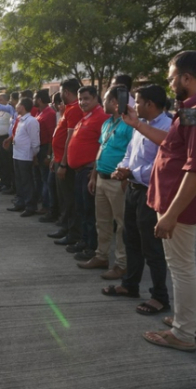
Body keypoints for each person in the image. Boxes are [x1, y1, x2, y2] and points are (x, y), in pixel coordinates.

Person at [123, 50, 196, 353]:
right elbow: (173, 145)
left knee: (180, 267)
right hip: (173, 200)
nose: (170, 84)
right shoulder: (195, 106)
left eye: (172, 78)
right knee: (185, 264)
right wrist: (138, 125)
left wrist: (171, 213)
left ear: (186, 77)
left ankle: (184, 333)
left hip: (178, 203)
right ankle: (192, 322)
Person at [102, 85, 172, 317]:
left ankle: (159, 296)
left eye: (139, 102)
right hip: (133, 189)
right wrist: (123, 168)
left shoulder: (167, 127)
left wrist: (133, 172)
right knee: (130, 238)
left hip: (150, 192)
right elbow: (130, 153)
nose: (134, 105)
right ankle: (130, 285)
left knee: (151, 247)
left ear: (150, 104)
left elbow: (163, 165)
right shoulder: (138, 125)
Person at [78, 86, 133, 280]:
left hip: (117, 182)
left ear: (115, 102)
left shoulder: (129, 124)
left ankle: (121, 264)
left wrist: (127, 178)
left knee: (121, 225)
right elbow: (100, 150)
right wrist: (93, 176)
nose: (104, 103)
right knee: (102, 222)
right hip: (101, 178)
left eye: (106, 99)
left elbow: (133, 154)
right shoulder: (107, 123)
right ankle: (101, 256)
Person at [64, 86, 109, 260]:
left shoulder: (102, 118)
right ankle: (84, 241)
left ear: (96, 98)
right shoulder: (86, 117)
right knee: (82, 209)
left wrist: (94, 172)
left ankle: (92, 247)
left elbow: (103, 147)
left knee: (90, 212)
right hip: (79, 172)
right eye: (80, 99)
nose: (82, 102)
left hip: (89, 171)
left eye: (86, 98)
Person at [50, 79, 85, 243]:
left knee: (70, 199)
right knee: (63, 197)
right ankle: (65, 227)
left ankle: (73, 233)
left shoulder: (75, 109)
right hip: (59, 159)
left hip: (67, 162)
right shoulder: (69, 109)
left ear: (66, 92)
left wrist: (63, 163)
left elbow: (70, 139)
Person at [6, 98, 40, 216]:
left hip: (26, 156)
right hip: (17, 154)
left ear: (23, 106)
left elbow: (35, 142)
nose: (16, 107)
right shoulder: (20, 119)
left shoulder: (31, 121)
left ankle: (30, 206)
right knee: (19, 180)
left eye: (18, 105)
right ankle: (20, 202)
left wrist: (34, 155)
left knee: (27, 182)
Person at [33, 89, 57, 219]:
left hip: (45, 149)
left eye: (35, 98)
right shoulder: (39, 112)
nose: (33, 101)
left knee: (45, 179)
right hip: (38, 148)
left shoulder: (49, 113)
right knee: (39, 178)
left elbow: (51, 136)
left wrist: (48, 155)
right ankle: (42, 202)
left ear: (40, 100)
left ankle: (47, 206)